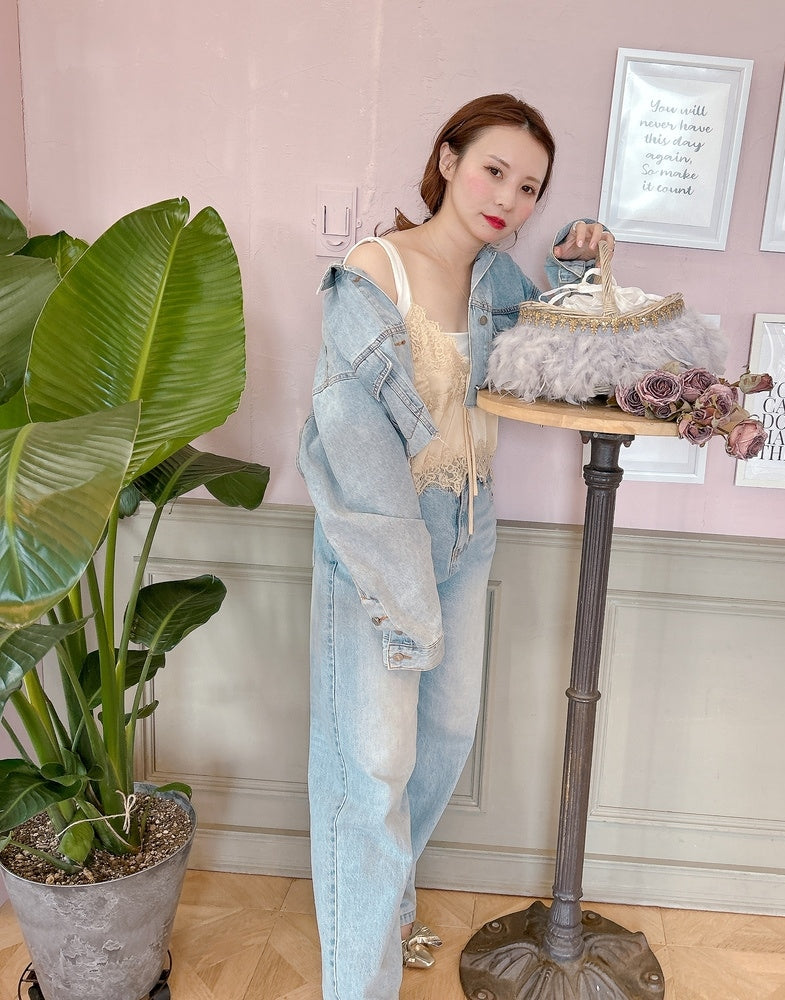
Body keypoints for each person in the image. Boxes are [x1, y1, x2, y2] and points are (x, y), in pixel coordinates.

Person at [297, 92, 613, 1000]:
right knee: (372, 765)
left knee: (446, 732)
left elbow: (566, 361)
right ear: (447, 159)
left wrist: (579, 269)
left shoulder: (499, 285)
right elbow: (350, 438)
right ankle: (359, 985)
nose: (508, 198)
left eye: (529, 187)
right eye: (493, 170)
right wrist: (403, 591)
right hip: (380, 541)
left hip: (468, 532)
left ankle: (388, 901)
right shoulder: (375, 270)